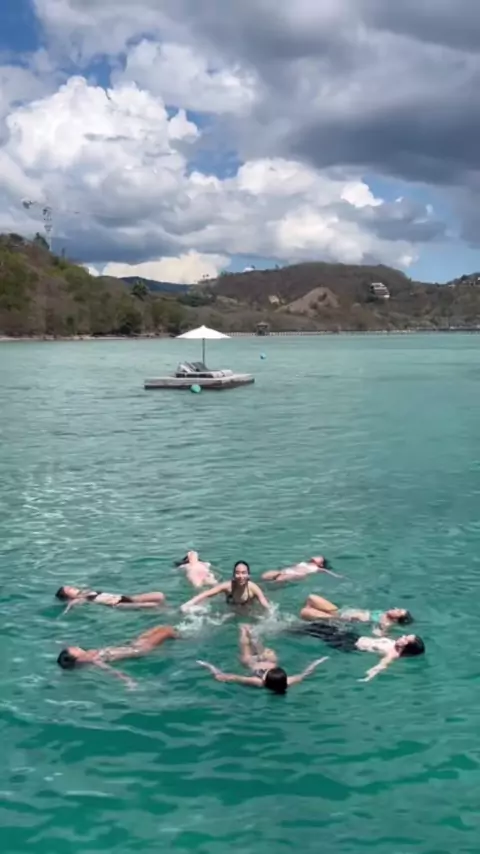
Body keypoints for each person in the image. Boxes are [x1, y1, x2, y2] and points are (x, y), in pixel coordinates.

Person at [197, 624, 328, 693]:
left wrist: (208, 666)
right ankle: (249, 630)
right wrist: (318, 662)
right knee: (260, 649)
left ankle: (243, 629)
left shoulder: (258, 682)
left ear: (265, 680)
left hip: (253, 664)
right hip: (266, 661)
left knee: (246, 649)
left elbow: (226, 677)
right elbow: (306, 673)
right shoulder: (287, 682)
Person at [292, 620, 425, 681]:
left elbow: (383, 664)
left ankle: (292, 630)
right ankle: (297, 627)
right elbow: (379, 638)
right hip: (355, 637)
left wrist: (370, 675)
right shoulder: (394, 642)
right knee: (321, 626)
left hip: (348, 645)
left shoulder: (393, 653)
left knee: (319, 634)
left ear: (405, 647)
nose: (403, 636)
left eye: (405, 638)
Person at [56, 625, 178, 687]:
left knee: (160, 627)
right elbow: (111, 671)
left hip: (133, 645)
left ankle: (181, 633)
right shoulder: (94, 659)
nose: (75, 647)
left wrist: (59, 642)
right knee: (167, 631)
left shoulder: (88, 655)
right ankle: (185, 638)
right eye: (73, 650)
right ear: (75, 657)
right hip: (140, 650)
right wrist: (128, 681)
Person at [300, 593, 413, 635]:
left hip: (337, 619)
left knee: (304, 612)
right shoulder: (384, 613)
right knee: (311, 597)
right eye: (398, 608)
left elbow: (378, 633)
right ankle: (311, 619)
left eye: (399, 611)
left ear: (396, 619)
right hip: (338, 611)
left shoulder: (386, 623)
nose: (396, 608)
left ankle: (308, 623)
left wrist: (381, 632)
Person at [181, 561, 270, 612]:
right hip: (231, 606)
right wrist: (189, 603)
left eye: (244, 573)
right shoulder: (228, 586)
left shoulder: (253, 588)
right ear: (234, 575)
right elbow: (206, 594)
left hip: (247, 608)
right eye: (237, 573)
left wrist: (270, 615)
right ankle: (207, 576)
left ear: (248, 575)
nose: (241, 576)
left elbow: (264, 603)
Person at [55, 585, 166, 615]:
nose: (72, 587)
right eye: (69, 589)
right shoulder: (80, 599)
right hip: (118, 604)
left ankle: (166, 610)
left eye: (70, 586)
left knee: (159, 595)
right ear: (68, 596)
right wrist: (65, 612)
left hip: (125, 597)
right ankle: (169, 614)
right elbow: (70, 606)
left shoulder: (86, 592)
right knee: (154, 605)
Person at [261, 555, 342, 583]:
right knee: (265, 576)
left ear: (320, 564)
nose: (317, 556)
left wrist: (337, 576)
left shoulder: (316, 568)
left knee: (278, 580)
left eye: (319, 557)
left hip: (296, 574)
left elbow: (326, 571)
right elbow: (293, 565)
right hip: (286, 571)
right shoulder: (304, 563)